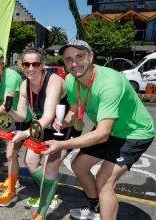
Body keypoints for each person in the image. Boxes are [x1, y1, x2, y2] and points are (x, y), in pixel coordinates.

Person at [42, 40, 154, 220]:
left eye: (79, 56)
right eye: (68, 59)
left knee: (104, 180)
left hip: (134, 133)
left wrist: (62, 144)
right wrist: (65, 122)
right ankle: (95, 207)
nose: (74, 63)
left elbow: (102, 134)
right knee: (78, 166)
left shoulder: (109, 82)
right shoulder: (71, 79)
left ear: (91, 56)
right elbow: (74, 109)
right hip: (107, 128)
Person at [11, 48, 81, 220]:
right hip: (42, 127)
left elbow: (49, 116)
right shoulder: (24, 85)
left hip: (63, 127)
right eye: (26, 64)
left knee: (50, 166)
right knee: (30, 161)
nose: (30, 68)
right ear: (22, 66)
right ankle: (50, 194)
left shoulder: (53, 81)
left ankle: (42, 212)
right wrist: (7, 110)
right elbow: (21, 115)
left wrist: (25, 133)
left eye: (35, 64)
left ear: (42, 65)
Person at [0, 44, 32, 207]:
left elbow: (7, 105)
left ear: (2, 59)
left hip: (21, 119)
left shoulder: (11, 77)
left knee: (10, 155)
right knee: (11, 155)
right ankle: (13, 180)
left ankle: (11, 190)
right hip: (7, 120)